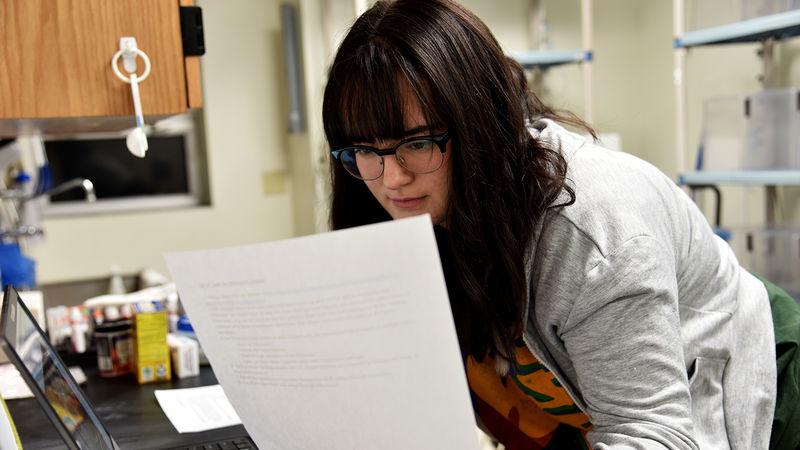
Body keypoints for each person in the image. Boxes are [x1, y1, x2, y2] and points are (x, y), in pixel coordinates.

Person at [322, 1, 796, 449]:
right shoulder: (413, 205)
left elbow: (655, 434)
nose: (393, 178)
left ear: (478, 125)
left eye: (418, 142)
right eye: (365, 150)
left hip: (759, 387)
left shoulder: (592, 234)